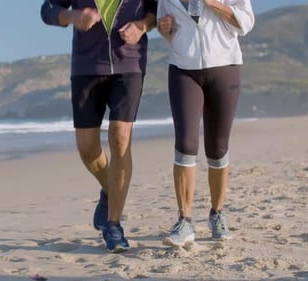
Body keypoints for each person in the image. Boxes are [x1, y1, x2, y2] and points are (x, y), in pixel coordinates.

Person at [40, 0, 157, 252]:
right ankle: (109, 188)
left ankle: (113, 225)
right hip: (86, 67)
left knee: (120, 137)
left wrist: (142, 26)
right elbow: (47, 10)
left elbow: (156, 11)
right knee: (87, 148)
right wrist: (73, 17)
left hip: (129, 64)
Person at [156, 0, 254, 246]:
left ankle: (217, 214)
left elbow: (246, 22)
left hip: (224, 66)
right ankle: (184, 221)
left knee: (218, 147)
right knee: (186, 143)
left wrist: (212, 3)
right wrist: (165, 28)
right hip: (183, 67)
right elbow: (166, 28)